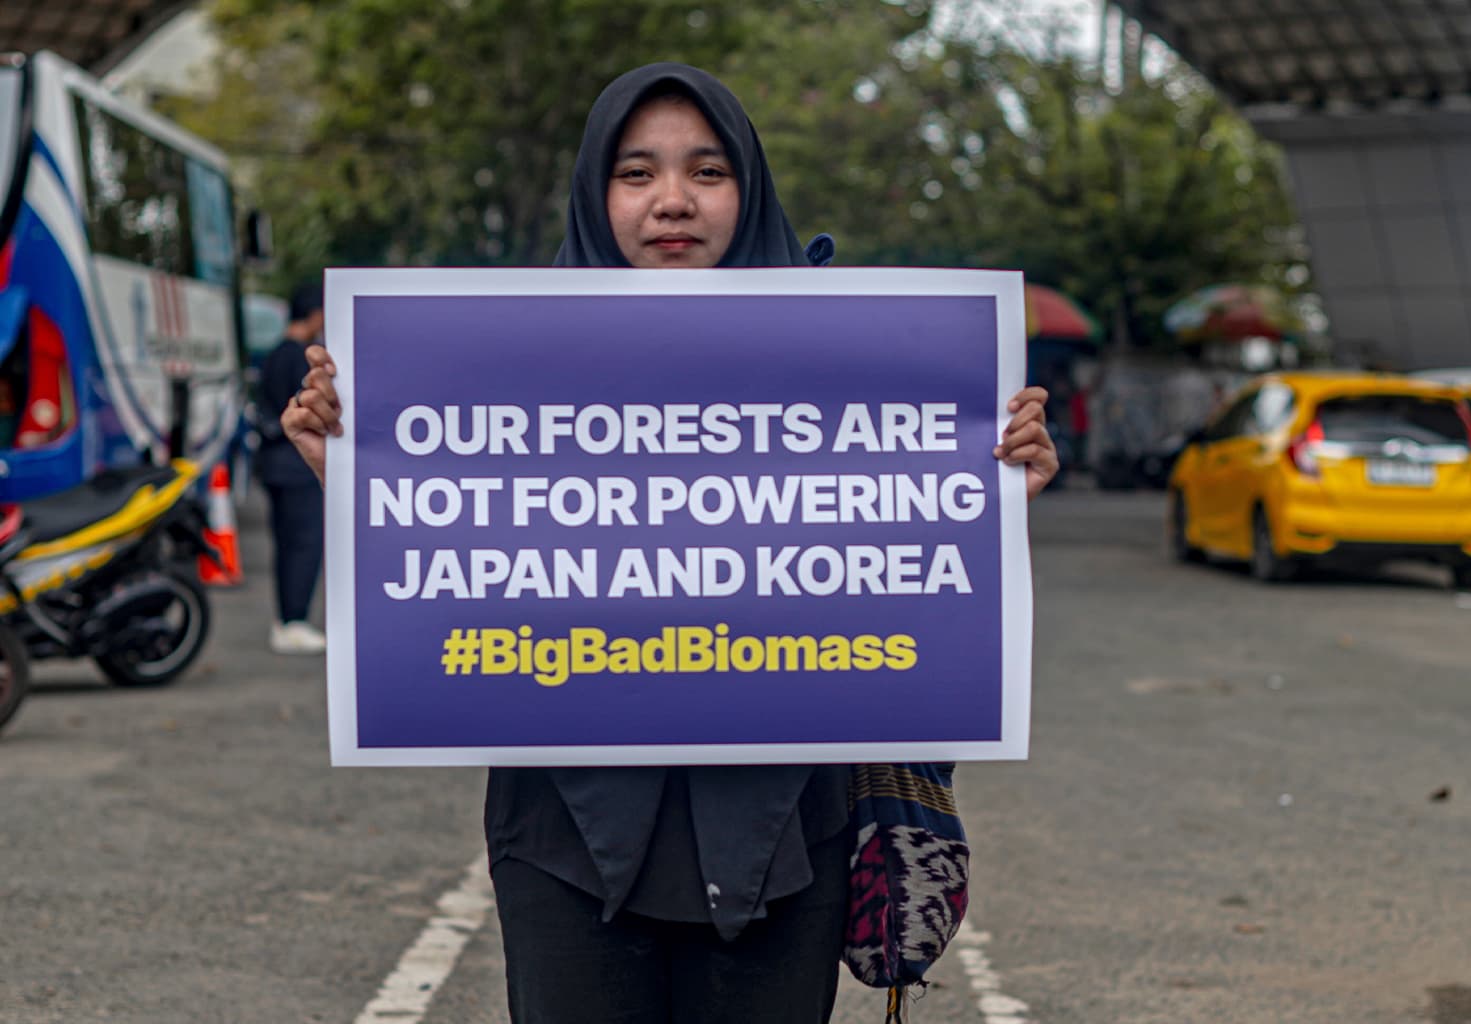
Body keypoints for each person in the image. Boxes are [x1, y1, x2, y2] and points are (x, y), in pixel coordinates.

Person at [280, 63, 1058, 1023]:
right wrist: (356, 476)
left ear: (752, 190)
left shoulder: (854, 367)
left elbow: (916, 594)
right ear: (595, 193)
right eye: (637, 172)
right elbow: (459, 560)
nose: (673, 201)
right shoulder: (498, 371)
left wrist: (990, 487)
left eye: (709, 171)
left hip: (788, 838)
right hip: (565, 835)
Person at [258, 282, 328, 655]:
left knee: (285, 544)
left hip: (272, 466)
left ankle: (285, 620)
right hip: (297, 464)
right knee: (304, 543)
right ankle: (294, 621)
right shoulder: (302, 359)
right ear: (315, 314)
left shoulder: (272, 355)